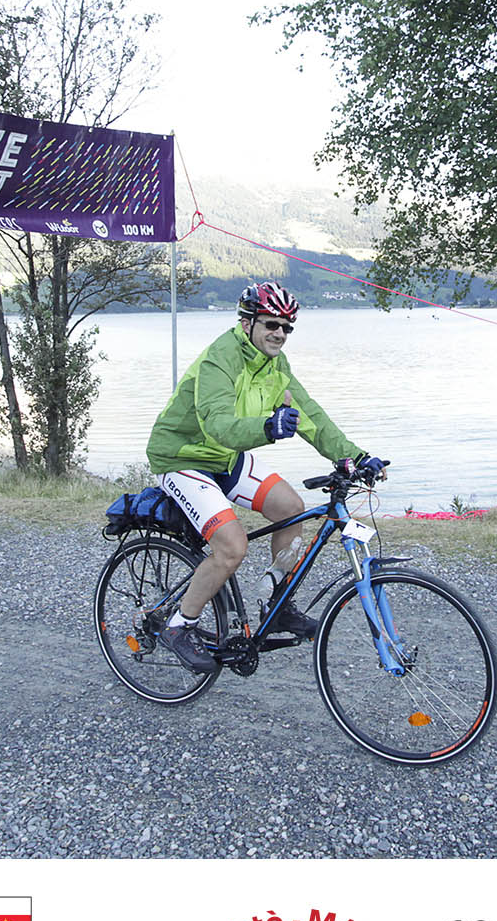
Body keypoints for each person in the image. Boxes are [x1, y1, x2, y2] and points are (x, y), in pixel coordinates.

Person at [146, 281, 387, 673]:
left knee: (291, 508)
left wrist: (355, 457)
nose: (280, 333)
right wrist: (267, 427)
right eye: (271, 324)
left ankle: (276, 605)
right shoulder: (219, 359)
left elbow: (310, 415)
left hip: (225, 457)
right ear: (247, 323)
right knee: (232, 547)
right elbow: (218, 424)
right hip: (182, 456)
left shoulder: (275, 365)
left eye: (287, 327)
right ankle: (179, 626)